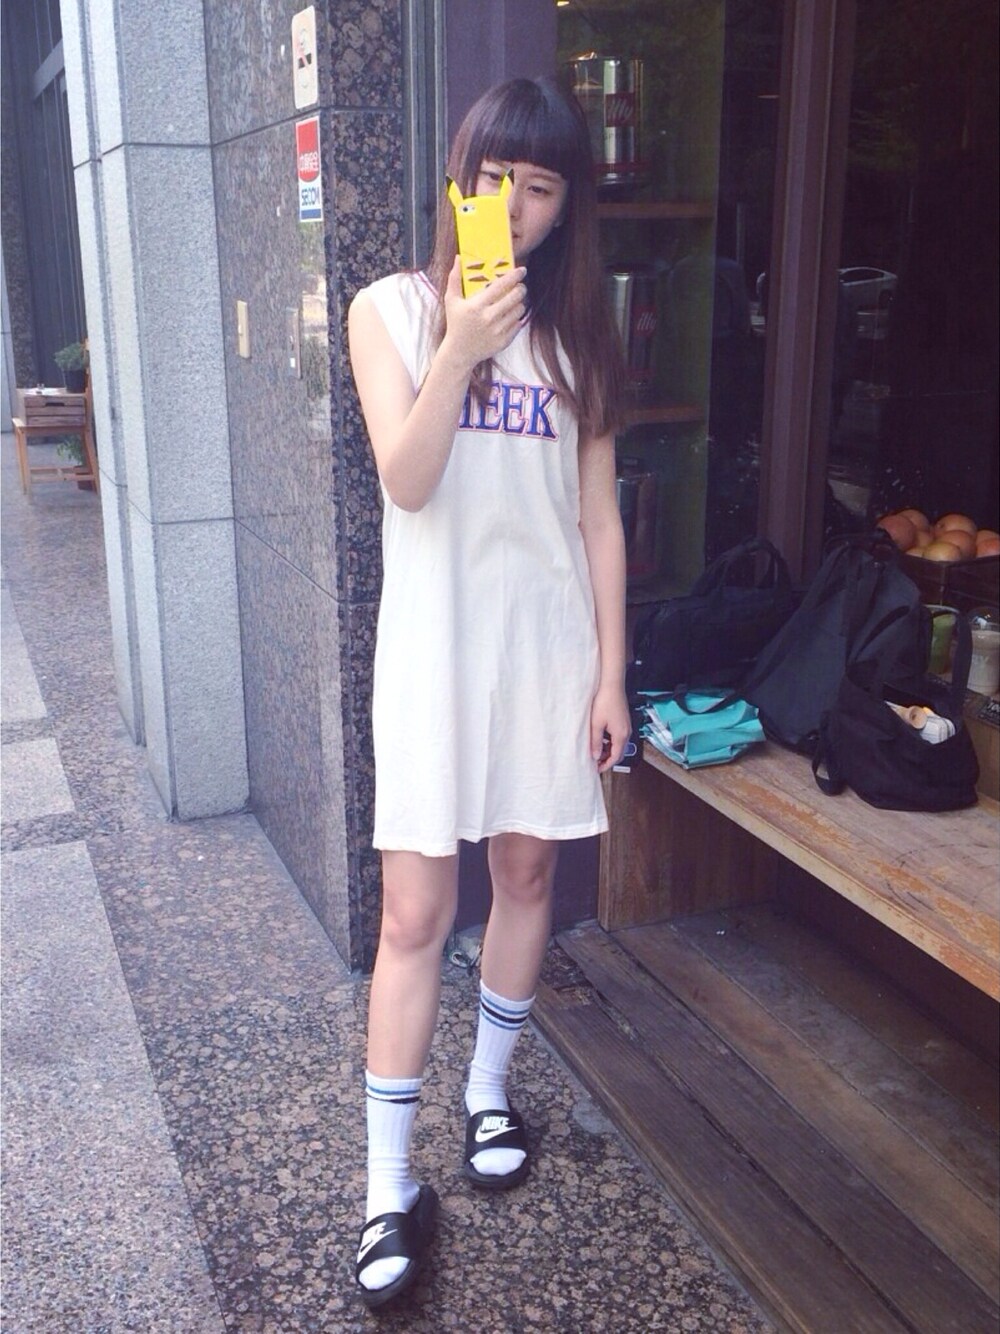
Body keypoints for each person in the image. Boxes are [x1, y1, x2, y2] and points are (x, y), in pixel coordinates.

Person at [347, 76, 631, 1309]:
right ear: (458, 177)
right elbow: (406, 481)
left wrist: (611, 672)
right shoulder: (391, 311)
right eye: (495, 177)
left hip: (544, 649)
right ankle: (384, 1187)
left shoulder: (578, 338)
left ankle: (487, 1091)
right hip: (433, 654)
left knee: (524, 873)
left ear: (567, 207)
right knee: (414, 912)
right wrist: (462, 346)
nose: (513, 205)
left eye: (542, 185)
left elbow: (598, 517)